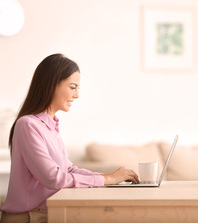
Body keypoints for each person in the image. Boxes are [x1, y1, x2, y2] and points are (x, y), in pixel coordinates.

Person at [0, 54, 139, 223]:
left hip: (47, 213)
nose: (77, 95)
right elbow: (53, 178)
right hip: (29, 217)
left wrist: (109, 177)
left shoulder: (51, 125)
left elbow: (68, 170)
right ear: (51, 85)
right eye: (73, 87)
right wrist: (108, 179)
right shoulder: (28, 125)